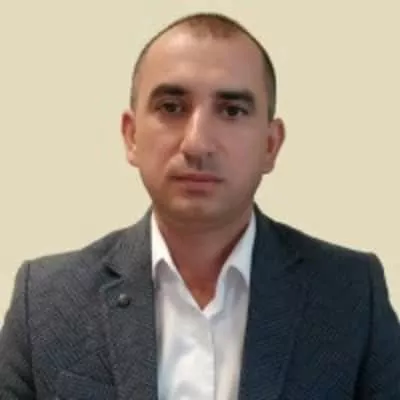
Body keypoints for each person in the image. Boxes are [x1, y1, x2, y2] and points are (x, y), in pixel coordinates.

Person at [0, 11, 399, 400]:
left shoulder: (350, 295)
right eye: (171, 107)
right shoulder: (46, 301)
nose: (197, 143)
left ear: (270, 145)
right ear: (131, 135)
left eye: (232, 111)